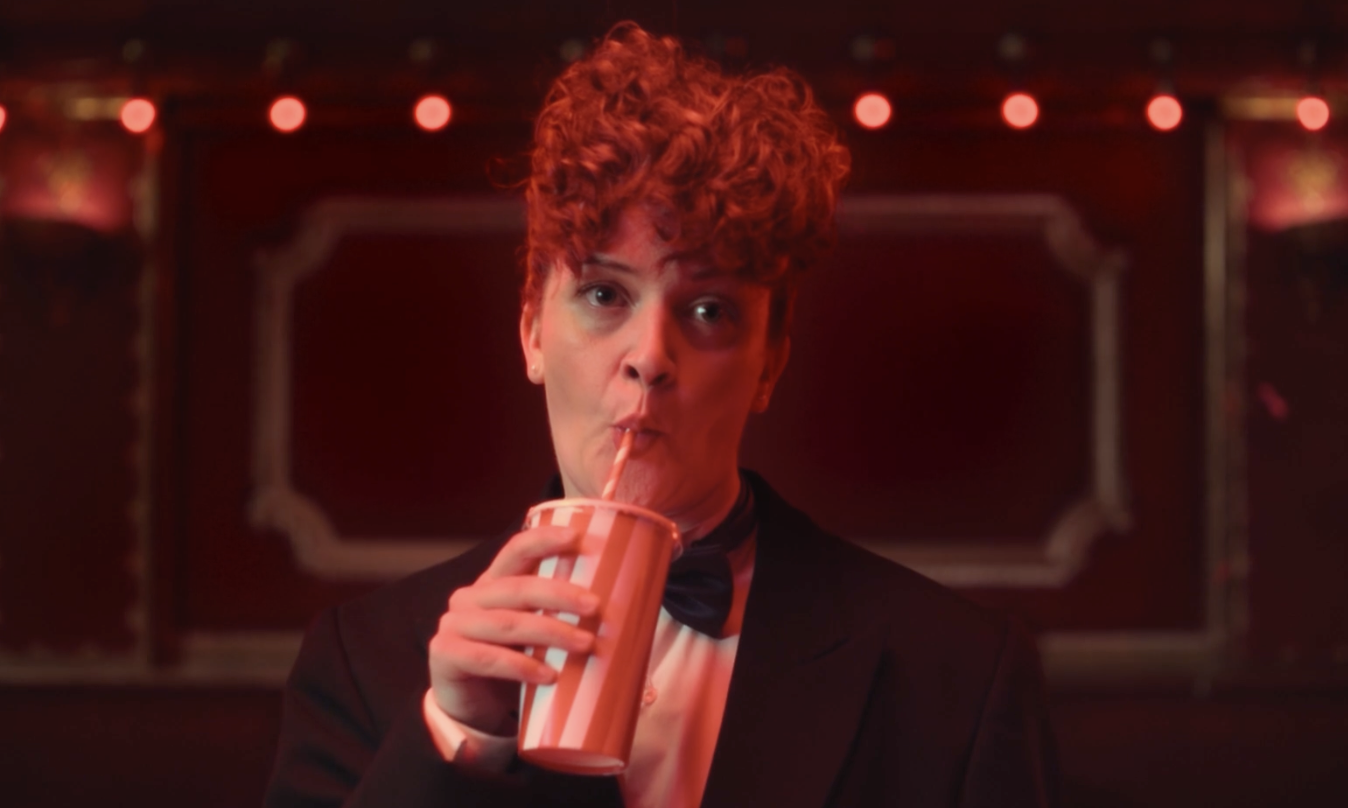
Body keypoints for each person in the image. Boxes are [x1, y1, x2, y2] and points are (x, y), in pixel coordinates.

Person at [264, 22, 1059, 808]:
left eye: (709, 310)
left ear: (769, 364)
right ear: (532, 329)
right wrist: (453, 737)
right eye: (604, 294)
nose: (650, 356)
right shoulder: (363, 663)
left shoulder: (956, 675)